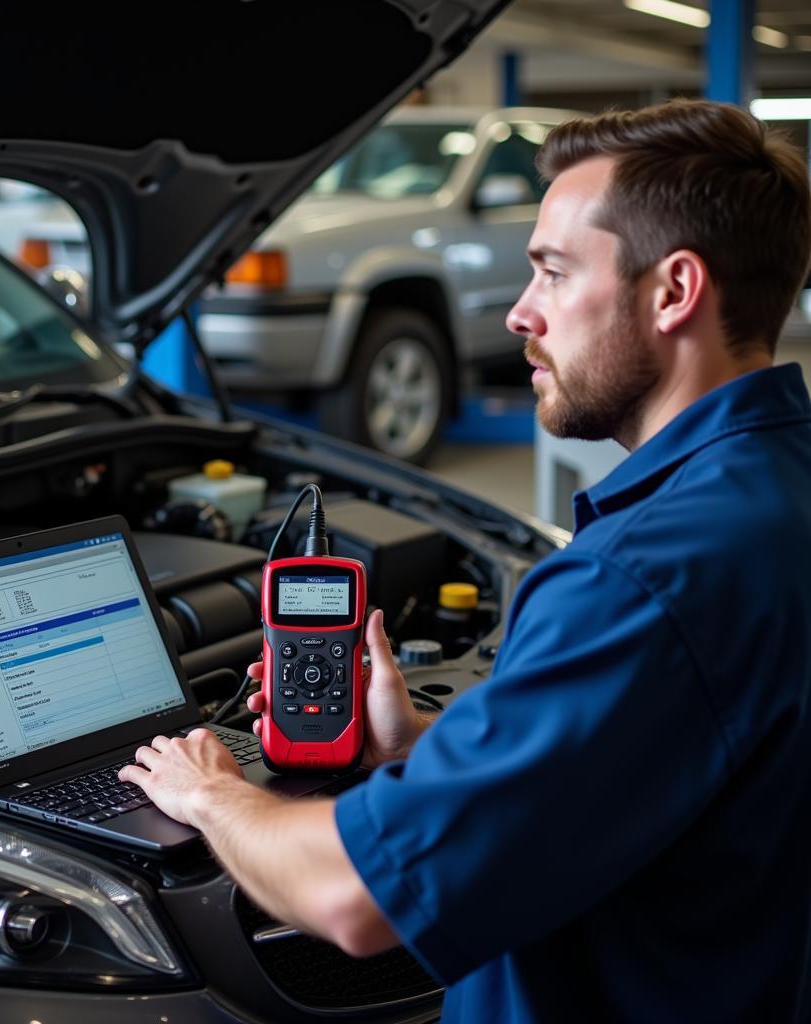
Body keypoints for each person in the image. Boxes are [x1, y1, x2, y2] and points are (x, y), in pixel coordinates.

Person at [120, 100, 811, 1021]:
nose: (522, 313)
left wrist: (211, 795)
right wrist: (423, 751)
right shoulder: (779, 492)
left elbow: (354, 899)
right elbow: (667, 774)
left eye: (555, 273)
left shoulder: (639, 579)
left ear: (674, 291)